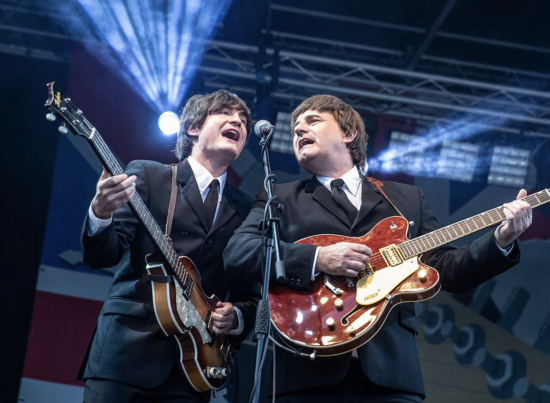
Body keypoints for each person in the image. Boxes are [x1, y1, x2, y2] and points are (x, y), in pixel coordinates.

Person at [223, 94, 532, 403]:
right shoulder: (282, 196)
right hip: (304, 367)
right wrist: (319, 257)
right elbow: (238, 253)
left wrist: (501, 240)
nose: (299, 130)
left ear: (348, 134)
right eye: (295, 129)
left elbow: (447, 268)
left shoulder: (406, 198)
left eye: (313, 121)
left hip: (390, 373)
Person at [79, 90, 260, 403]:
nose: (238, 122)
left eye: (243, 121)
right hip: (126, 355)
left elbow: (250, 294)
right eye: (226, 114)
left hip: (193, 367)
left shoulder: (247, 209)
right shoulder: (150, 176)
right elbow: (102, 256)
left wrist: (237, 317)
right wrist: (101, 212)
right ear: (193, 128)